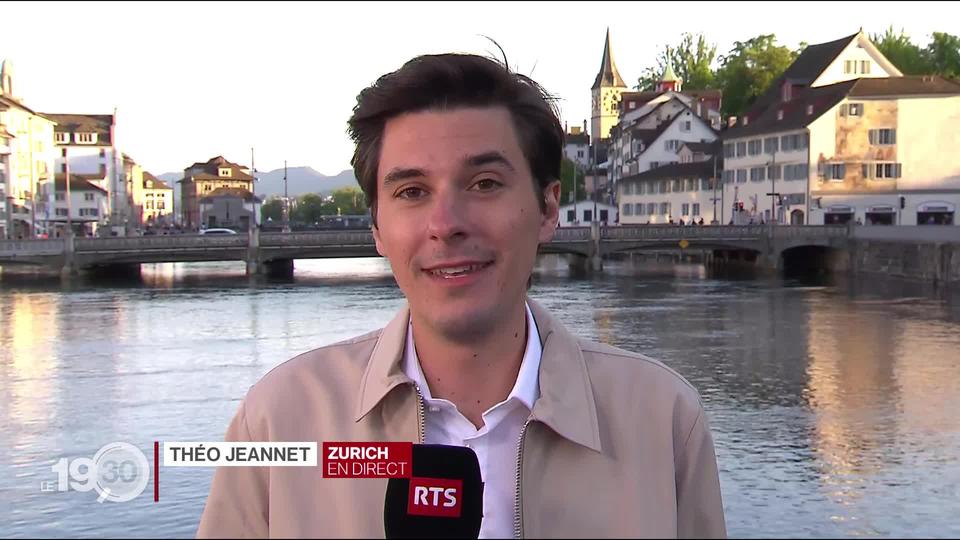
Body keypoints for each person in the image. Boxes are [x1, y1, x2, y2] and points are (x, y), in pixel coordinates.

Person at [197, 53, 725, 539]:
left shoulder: (661, 420)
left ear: (547, 209)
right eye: (411, 192)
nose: (445, 224)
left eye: (485, 183)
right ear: (377, 228)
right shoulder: (280, 420)